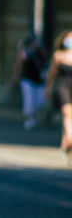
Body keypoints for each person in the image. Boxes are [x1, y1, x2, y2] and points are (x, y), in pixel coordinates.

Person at [45, 30, 72, 166]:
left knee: (69, 117)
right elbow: (52, 74)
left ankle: (65, 142)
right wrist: (48, 89)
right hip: (63, 87)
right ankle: (70, 139)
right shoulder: (58, 55)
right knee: (67, 113)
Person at [11, 34, 47, 130]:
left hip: (39, 81)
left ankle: (34, 116)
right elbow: (19, 65)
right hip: (27, 80)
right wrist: (15, 77)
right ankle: (28, 119)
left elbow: (46, 63)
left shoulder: (40, 52)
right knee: (29, 100)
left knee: (40, 101)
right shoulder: (25, 52)